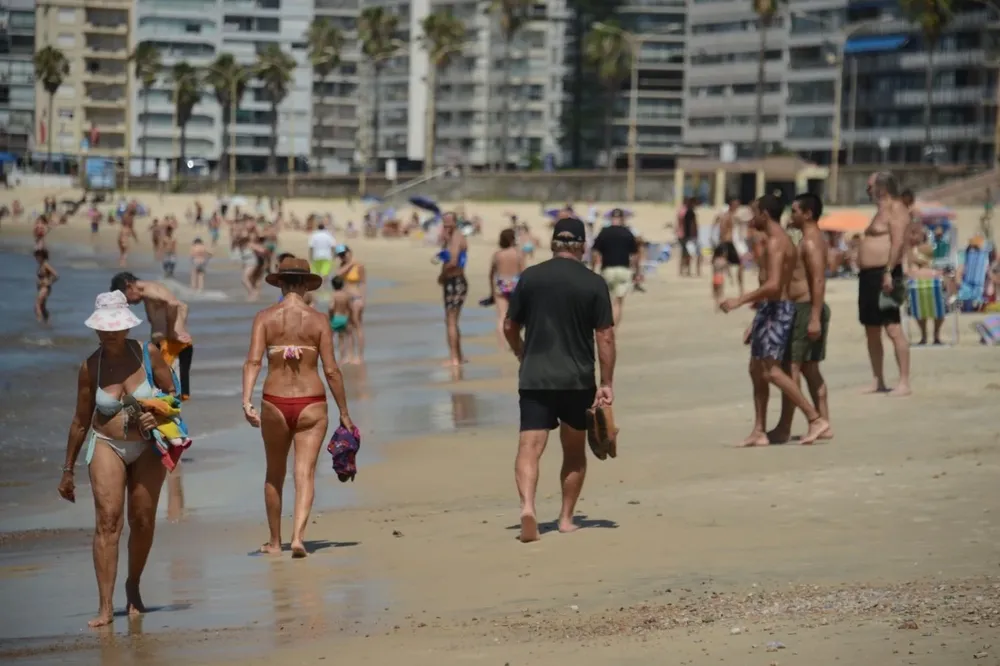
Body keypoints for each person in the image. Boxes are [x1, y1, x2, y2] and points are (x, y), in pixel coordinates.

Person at [58, 291, 177, 627]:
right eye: (104, 327)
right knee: (108, 521)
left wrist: (157, 412)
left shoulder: (147, 353)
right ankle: (106, 606)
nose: (110, 332)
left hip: (148, 447)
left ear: (127, 326)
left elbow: (174, 395)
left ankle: (133, 584)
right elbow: (80, 421)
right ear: (96, 328)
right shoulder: (90, 368)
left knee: (142, 519)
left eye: (116, 326)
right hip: (108, 443)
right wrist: (67, 470)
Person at [503, 217, 616, 543]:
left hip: (536, 376)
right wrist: (606, 383)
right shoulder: (593, 283)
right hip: (577, 379)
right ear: (582, 246)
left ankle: (528, 507)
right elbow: (605, 337)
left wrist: (521, 351)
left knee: (529, 448)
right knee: (574, 451)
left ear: (553, 244)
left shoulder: (531, 277)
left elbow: (509, 326)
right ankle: (566, 519)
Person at [241, 256, 354, 558]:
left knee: (274, 474)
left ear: (280, 283)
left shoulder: (265, 318)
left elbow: (253, 361)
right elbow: (331, 371)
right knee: (304, 474)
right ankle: (299, 538)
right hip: (312, 403)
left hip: (274, 402)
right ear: (305, 284)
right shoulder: (318, 321)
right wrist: (344, 412)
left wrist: (246, 399)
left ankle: (275, 542)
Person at [720, 194, 830, 446]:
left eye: (755, 213)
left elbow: (773, 285)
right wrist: (756, 319)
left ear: (765, 215)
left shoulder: (777, 243)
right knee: (756, 369)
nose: (752, 218)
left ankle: (815, 418)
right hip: (770, 311)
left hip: (777, 310)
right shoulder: (777, 240)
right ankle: (759, 430)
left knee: (772, 371)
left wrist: (740, 300)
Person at [765, 193, 833, 444]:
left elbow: (817, 280)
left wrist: (814, 317)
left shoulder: (812, 241)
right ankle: (824, 424)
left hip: (806, 309)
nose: (790, 215)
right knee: (809, 369)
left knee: (790, 369)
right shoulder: (804, 239)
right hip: (801, 308)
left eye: (794, 211)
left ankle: (785, 426)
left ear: (807, 214)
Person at [858, 171, 911, 396]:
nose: (867, 191)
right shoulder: (878, 211)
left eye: (870, 187)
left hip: (885, 274)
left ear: (882, 187)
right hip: (868, 276)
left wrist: (889, 272)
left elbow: (898, 243)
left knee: (892, 327)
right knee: (871, 328)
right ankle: (877, 379)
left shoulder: (896, 209)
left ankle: (904, 381)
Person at [110, 272, 194, 401]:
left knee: (169, 394)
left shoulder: (149, 291)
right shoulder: (149, 291)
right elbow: (183, 306)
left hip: (171, 346)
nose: (129, 303)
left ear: (129, 286)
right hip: (167, 344)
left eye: (126, 298)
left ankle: (172, 421)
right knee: (163, 393)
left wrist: (173, 332)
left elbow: (174, 304)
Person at [591, 208, 639, 327]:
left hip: (607, 269)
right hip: (623, 269)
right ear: (622, 219)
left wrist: (592, 268)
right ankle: (613, 329)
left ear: (611, 218)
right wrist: (637, 272)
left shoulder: (604, 232)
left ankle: (606, 327)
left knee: (606, 302)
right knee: (618, 302)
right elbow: (634, 256)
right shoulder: (628, 233)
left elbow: (595, 252)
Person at [438, 212, 469, 366]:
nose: (446, 227)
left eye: (449, 224)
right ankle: (459, 356)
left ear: (455, 223)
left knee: (450, 321)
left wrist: (442, 275)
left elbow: (454, 261)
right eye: (444, 224)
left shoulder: (457, 237)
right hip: (453, 281)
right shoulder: (451, 238)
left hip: (455, 281)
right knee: (452, 321)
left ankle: (454, 359)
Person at [488, 229, 525, 350]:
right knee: (515, 316)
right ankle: (513, 343)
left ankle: (502, 345)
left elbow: (491, 274)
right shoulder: (518, 254)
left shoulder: (498, 254)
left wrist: (492, 291)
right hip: (515, 284)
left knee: (501, 317)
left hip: (501, 283)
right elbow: (524, 272)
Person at [334, 245, 366, 364]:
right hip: (346, 299)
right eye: (340, 255)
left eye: (344, 254)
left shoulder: (359, 266)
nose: (342, 257)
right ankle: (350, 355)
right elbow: (338, 275)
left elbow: (363, 283)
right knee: (348, 328)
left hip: (356, 298)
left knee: (357, 326)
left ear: (349, 252)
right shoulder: (344, 266)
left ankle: (360, 356)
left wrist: (363, 299)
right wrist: (350, 264)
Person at [713, 198, 745, 297]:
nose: (738, 208)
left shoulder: (728, 216)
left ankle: (719, 292)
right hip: (727, 244)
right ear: (732, 205)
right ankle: (720, 291)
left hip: (725, 244)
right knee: (720, 268)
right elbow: (722, 230)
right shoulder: (727, 216)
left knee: (719, 268)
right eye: (736, 205)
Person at [328, 276, 353, 362]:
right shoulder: (346, 295)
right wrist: (350, 318)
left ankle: (337, 357)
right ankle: (349, 356)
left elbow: (331, 307)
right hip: (344, 318)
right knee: (347, 336)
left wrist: (330, 317)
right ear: (342, 285)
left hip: (335, 318)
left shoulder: (334, 295)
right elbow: (350, 308)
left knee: (335, 338)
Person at [34, 248, 59, 324]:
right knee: (42, 307)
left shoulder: (45, 264)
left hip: (45, 288)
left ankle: (39, 322)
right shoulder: (41, 265)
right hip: (42, 288)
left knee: (37, 305)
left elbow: (56, 275)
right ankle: (47, 322)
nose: (36, 258)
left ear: (42, 256)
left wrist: (48, 282)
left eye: (37, 256)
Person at [680, 198, 701, 277]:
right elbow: (692, 225)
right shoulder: (690, 212)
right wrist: (694, 235)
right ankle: (689, 271)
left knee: (686, 254)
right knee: (689, 254)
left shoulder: (688, 212)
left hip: (688, 236)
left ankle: (684, 271)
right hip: (690, 236)